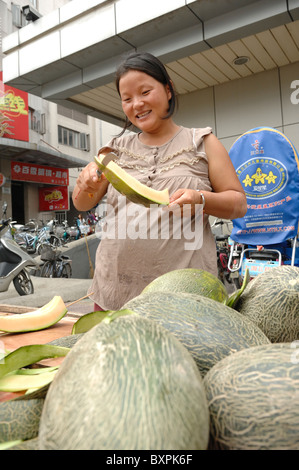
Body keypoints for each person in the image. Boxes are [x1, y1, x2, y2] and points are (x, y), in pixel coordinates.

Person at [72, 51, 247, 311]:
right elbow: (82, 203)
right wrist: (85, 185)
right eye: (127, 99)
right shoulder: (113, 150)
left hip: (184, 295)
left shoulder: (203, 142)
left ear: (168, 90)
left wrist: (201, 200)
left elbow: (239, 204)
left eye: (145, 92)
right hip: (115, 290)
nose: (137, 104)